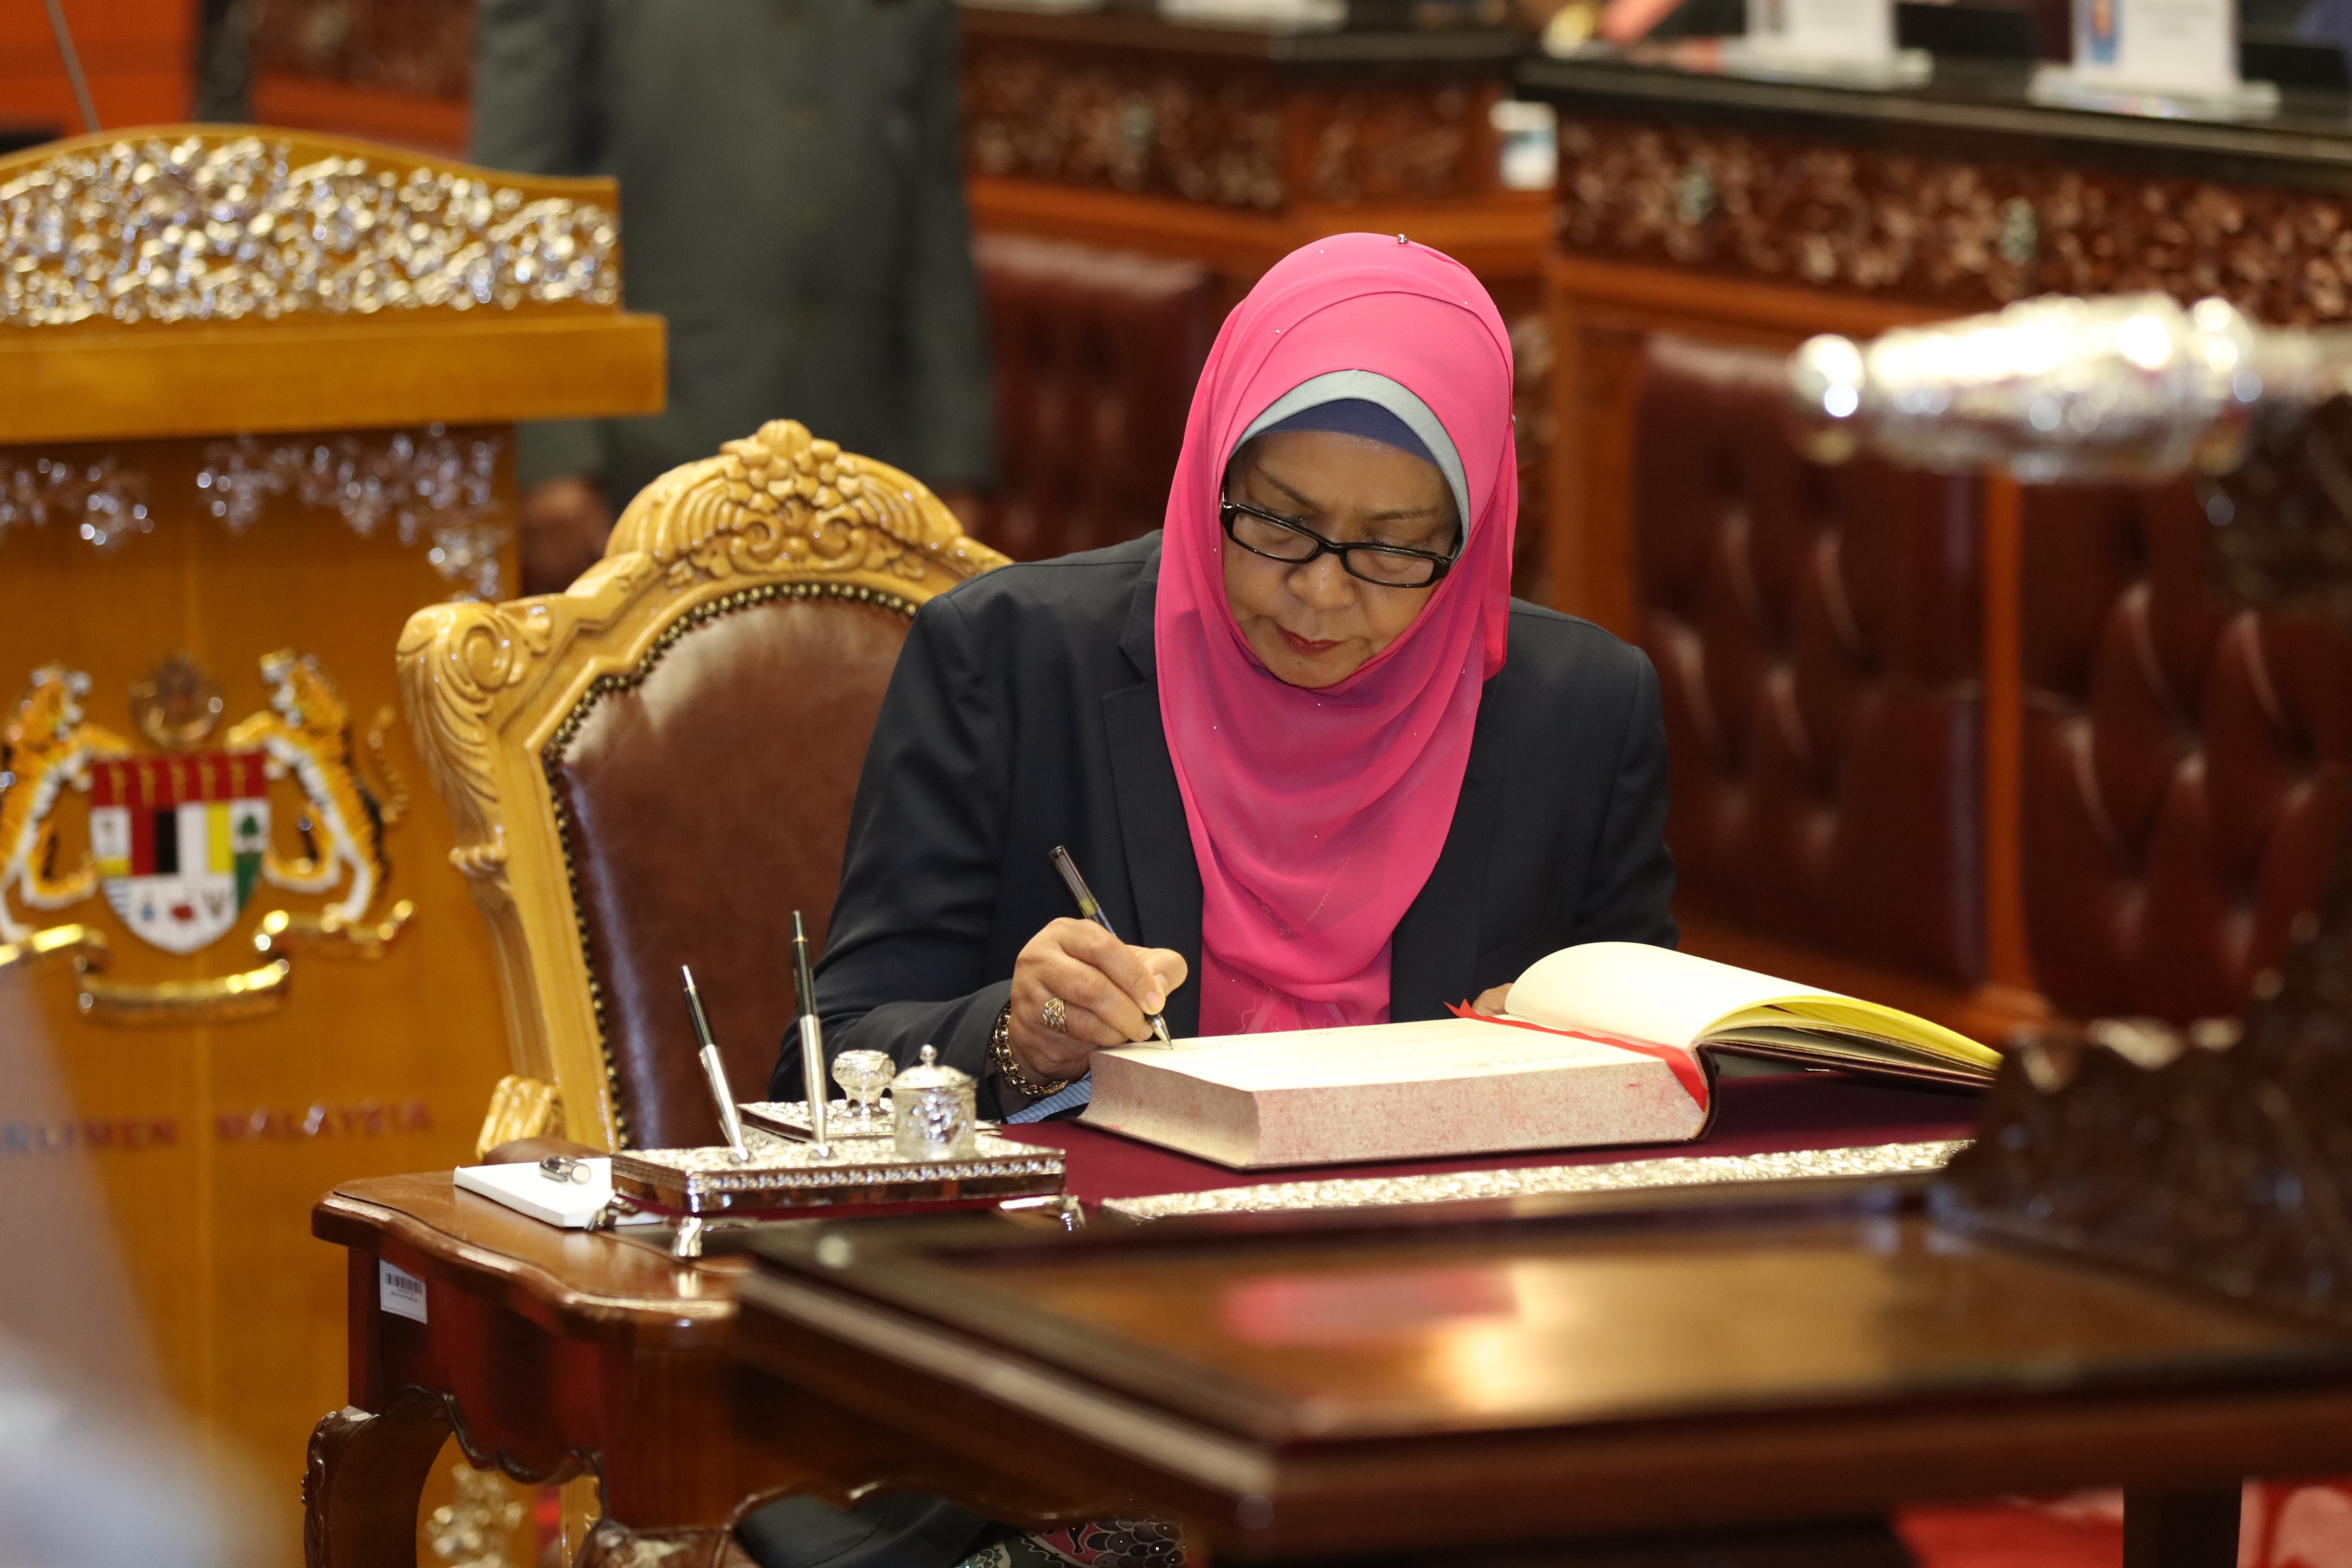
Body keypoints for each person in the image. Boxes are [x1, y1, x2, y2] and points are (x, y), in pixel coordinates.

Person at [784, 231, 1675, 1127]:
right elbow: (823, 1064)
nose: (1321, 592)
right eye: (1278, 524)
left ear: (1470, 537)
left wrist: (1579, 1060)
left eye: (1392, 547)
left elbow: (1669, 1067)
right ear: (1213, 469)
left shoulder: (1581, 716)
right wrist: (1017, 1041)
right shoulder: (1009, 660)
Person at [468, 0, 998, 592]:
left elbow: (933, 211)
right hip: (645, 459)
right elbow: (515, 202)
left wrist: (952, 459)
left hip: (859, 459)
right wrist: (549, 452)